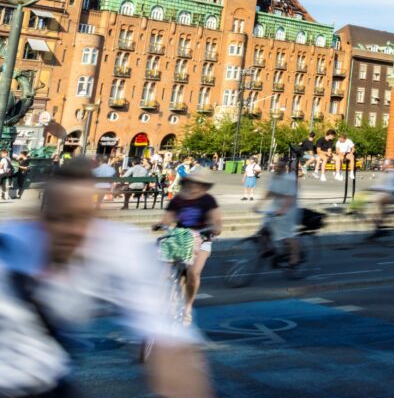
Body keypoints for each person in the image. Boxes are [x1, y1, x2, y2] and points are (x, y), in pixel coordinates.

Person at [0, 158, 214, 397]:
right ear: (38, 218)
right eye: (58, 218)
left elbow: (169, 345)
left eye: (82, 218)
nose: (70, 230)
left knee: (188, 273)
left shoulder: (113, 245)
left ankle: (186, 302)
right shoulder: (9, 246)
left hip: (48, 383)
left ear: (97, 217)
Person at [159, 172, 222, 325]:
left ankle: (187, 306)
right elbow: (168, 218)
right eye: (191, 182)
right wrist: (163, 225)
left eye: (198, 183)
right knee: (163, 272)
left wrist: (214, 229)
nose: (194, 185)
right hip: (180, 238)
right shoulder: (178, 199)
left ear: (203, 185)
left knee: (193, 272)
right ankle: (161, 301)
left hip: (202, 238)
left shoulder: (208, 200)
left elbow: (217, 222)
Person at [264, 159, 301, 269]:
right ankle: (272, 252)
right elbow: (269, 193)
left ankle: (295, 257)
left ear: (284, 168)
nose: (277, 169)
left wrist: (283, 210)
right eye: (276, 167)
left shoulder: (290, 179)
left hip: (289, 210)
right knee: (265, 231)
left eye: (279, 167)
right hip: (275, 208)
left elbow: (290, 197)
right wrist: (257, 205)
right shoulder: (274, 178)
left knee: (288, 235)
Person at [368, 159, 394, 238]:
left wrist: (374, 189)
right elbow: (381, 185)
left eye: (386, 165)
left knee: (380, 203)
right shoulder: (389, 173)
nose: (384, 166)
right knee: (377, 210)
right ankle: (379, 227)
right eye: (384, 165)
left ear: (391, 165)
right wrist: (371, 189)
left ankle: (379, 229)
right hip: (390, 194)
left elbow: (393, 187)